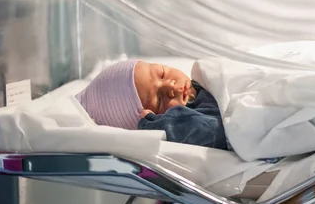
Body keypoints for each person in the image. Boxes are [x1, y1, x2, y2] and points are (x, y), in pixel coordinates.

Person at [76, 59, 228, 150]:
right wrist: (168, 127)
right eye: (159, 100)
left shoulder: (205, 83)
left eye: (162, 74)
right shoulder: (196, 117)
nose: (170, 87)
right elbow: (218, 130)